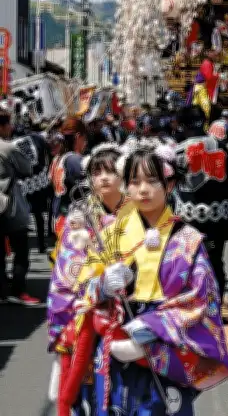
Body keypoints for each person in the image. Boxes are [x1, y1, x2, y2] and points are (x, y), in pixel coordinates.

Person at [79, 143, 228, 414]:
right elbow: (82, 287)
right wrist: (101, 286)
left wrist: (148, 332)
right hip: (116, 341)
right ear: (125, 187)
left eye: (152, 181)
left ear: (169, 185)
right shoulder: (110, 234)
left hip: (166, 344)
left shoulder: (187, 239)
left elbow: (201, 300)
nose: (143, 189)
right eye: (134, 182)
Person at [47, 143, 130, 414]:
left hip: (130, 312)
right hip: (88, 313)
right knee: (87, 393)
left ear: (123, 175)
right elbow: (66, 270)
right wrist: (92, 291)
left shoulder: (139, 213)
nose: (103, 178)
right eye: (96, 172)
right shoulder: (80, 217)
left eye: (111, 171)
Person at [174, 122, 228, 300]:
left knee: (188, 262)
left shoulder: (178, 150)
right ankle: (216, 305)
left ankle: (194, 304)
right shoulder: (226, 149)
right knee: (215, 261)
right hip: (218, 215)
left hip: (187, 216)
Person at [0, 111, 39, 305]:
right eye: (8, 124)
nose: (11, 128)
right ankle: (18, 289)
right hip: (10, 206)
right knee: (21, 251)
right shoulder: (8, 147)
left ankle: (2, 291)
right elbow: (27, 168)